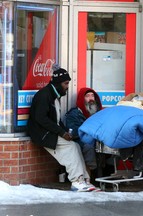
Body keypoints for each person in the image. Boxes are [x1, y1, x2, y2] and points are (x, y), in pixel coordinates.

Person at [27, 64, 96, 192]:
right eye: (65, 83)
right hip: (43, 134)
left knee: (75, 145)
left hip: (51, 132)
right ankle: (76, 181)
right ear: (58, 83)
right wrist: (61, 133)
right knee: (70, 148)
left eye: (68, 83)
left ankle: (85, 180)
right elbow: (41, 119)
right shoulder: (44, 95)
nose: (67, 87)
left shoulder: (55, 96)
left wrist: (65, 132)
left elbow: (57, 121)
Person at [65, 87, 103, 180]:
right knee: (88, 147)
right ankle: (88, 177)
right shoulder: (73, 114)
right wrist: (88, 130)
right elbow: (73, 131)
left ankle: (107, 174)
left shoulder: (99, 113)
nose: (90, 99)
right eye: (87, 96)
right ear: (82, 99)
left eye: (92, 96)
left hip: (99, 139)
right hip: (80, 140)